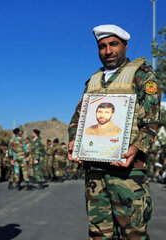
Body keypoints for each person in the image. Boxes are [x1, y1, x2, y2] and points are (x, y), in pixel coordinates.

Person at [68, 24, 161, 239]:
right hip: (95, 173)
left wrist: (136, 148)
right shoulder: (93, 81)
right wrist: (74, 141)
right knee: (98, 233)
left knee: (133, 233)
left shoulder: (142, 76)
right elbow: (77, 118)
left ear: (125, 46)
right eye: (102, 46)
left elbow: (151, 121)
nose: (107, 51)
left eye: (113, 44)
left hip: (127, 172)